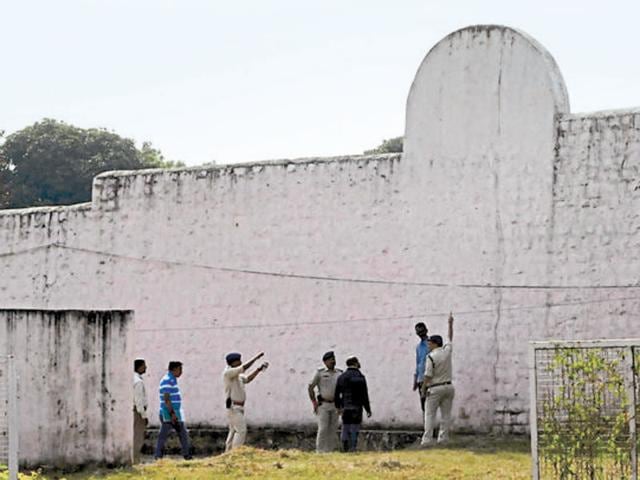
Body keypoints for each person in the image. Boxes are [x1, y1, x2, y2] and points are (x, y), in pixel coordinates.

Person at [223, 351, 269, 452]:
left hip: (238, 408)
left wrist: (258, 369)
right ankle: (235, 452)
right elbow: (243, 368)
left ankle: (227, 453)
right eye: (238, 361)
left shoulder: (238, 375)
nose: (240, 362)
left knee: (233, 431)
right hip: (233, 407)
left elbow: (248, 379)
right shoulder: (228, 373)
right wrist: (255, 358)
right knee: (241, 431)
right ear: (233, 363)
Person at [420, 313, 455, 447]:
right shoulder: (446, 352)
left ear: (434, 343)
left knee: (430, 415)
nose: (428, 344)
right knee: (446, 415)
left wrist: (423, 389)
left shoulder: (431, 357)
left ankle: (427, 439)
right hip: (449, 387)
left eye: (429, 342)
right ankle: (443, 438)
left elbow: (428, 375)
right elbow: (450, 338)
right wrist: (450, 324)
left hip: (435, 388)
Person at [154, 361, 192, 460]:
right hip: (169, 413)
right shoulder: (167, 380)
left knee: (181, 433)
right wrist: (172, 414)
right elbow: (166, 399)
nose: (181, 372)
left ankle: (186, 454)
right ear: (174, 369)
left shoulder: (172, 380)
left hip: (174, 412)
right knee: (165, 436)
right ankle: (159, 456)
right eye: (180, 369)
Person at [334, 356, 371, 452]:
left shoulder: (341, 377)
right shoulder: (360, 377)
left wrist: (338, 406)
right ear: (355, 363)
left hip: (345, 406)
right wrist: (368, 409)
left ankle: (344, 447)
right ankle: (353, 447)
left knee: (345, 426)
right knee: (354, 428)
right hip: (357, 406)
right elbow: (364, 395)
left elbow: (337, 393)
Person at [308, 351, 343, 452]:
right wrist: (314, 402)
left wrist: (341, 405)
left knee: (333, 429)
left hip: (335, 404)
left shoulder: (339, 373)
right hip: (323, 404)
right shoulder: (320, 373)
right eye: (330, 359)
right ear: (325, 361)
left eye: (334, 359)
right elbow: (311, 387)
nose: (333, 361)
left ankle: (330, 450)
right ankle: (320, 450)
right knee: (323, 428)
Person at [133, 358, 149, 463]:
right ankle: (136, 458)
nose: (146, 367)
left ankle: (135, 458)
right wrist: (144, 416)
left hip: (135, 411)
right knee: (138, 436)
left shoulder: (133, 379)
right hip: (138, 412)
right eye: (144, 365)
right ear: (139, 367)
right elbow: (139, 401)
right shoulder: (138, 382)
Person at [413, 322, 430, 412]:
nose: (420, 334)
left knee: (430, 406)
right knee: (424, 406)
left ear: (426, 330)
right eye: (418, 332)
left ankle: (429, 425)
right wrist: (415, 379)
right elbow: (418, 363)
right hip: (421, 380)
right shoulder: (418, 347)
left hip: (430, 379)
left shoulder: (431, 344)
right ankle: (427, 425)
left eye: (422, 331)